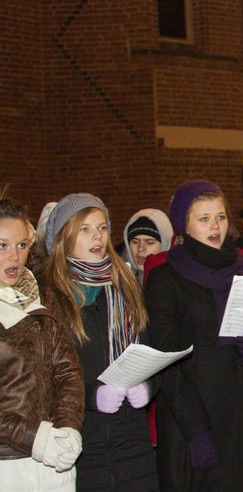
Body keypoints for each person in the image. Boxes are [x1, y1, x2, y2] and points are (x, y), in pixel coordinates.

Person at [145, 180, 243, 491]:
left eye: (220, 217)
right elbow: (165, 361)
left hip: (241, 413)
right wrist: (196, 431)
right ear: (184, 225)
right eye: (203, 219)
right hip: (192, 418)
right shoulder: (165, 277)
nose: (215, 226)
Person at [41, 193, 158, 490]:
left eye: (102, 227)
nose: (98, 236)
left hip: (133, 442)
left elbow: (148, 353)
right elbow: (44, 377)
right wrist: (93, 396)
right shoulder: (50, 296)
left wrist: (148, 385)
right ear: (64, 237)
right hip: (82, 445)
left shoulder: (124, 287)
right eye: (85, 229)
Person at [0, 199, 84, 491]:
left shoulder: (42, 296)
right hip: (7, 462)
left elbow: (67, 371)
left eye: (22, 245)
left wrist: (68, 428)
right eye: (2, 246)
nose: (14, 256)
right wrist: (36, 438)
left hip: (53, 460)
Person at [122, 209, 173, 282]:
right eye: (135, 242)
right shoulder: (120, 283)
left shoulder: (178, 284)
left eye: (150, 242)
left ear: (165, 245)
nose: (140, 248)